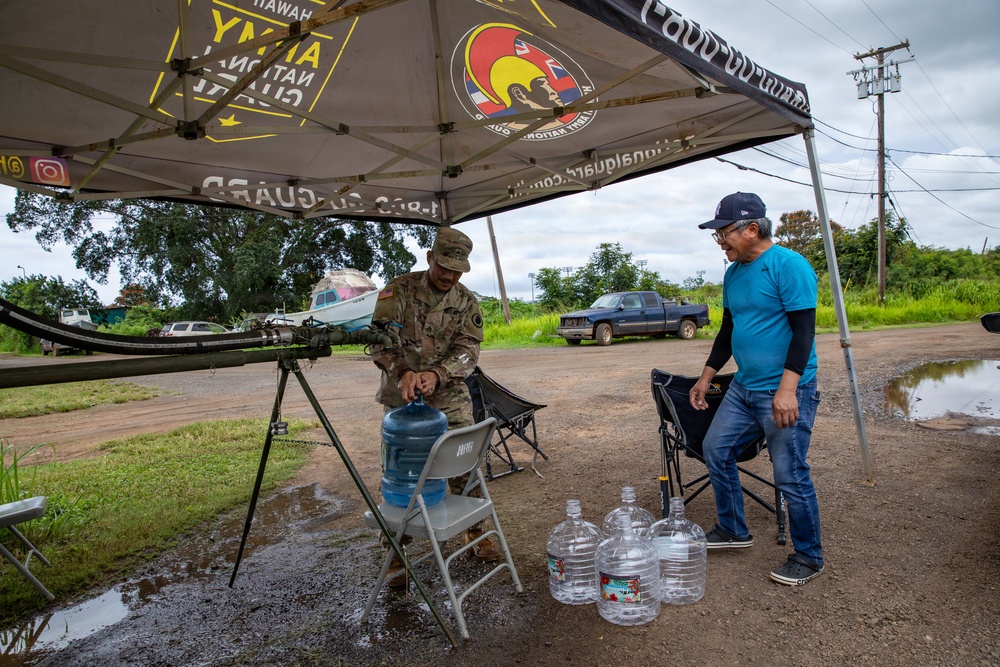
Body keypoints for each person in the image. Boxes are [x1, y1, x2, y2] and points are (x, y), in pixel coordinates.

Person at [688, 192, 825, 586]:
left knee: (790, 474)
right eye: (716, 236)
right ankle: (733, 529)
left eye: (724, 233)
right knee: (715, 449)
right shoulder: (733, 274)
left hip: (783, 391)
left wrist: (787, 391)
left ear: (751, 229)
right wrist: (706, 376)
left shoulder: (789, 266)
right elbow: (729, 330)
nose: (720, 242)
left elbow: (804, 334)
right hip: (744, 388)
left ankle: (809, 556)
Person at [370, 226, 500, 588]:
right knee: (403, 470)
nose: (449, 275)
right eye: (444, 266)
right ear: (430, 258)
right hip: (403, 395)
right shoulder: (399, 291)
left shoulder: (466, 302)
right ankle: (396, 549)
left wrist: (439, 374)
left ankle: (475, 531)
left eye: (457, 270)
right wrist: (405, 371)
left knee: (466, 457)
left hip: (447, 393)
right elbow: (378, 340)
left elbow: (468, 351)